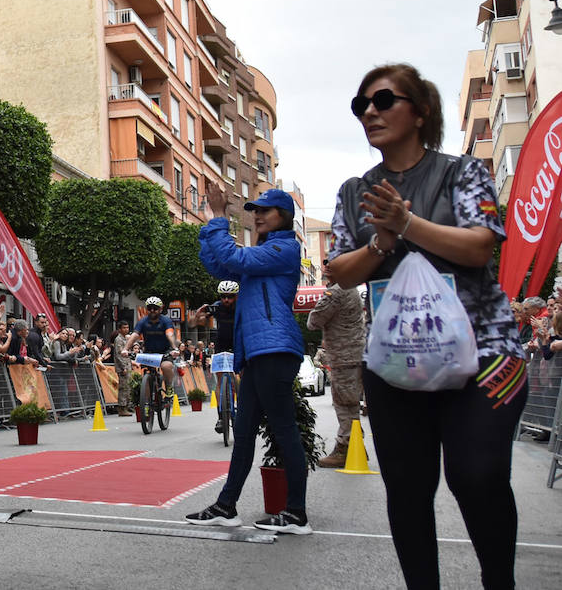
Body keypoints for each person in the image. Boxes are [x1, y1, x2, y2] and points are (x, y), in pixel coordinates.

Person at [324, 64, 526, 588]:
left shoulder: (463, 173)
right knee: (409, 492)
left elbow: (481, 244)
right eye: (361, 105)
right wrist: (383, 242)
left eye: (384, 100)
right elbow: (341, 272)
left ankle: (497, 581)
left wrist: (408, 223)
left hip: (485, 356)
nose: (370, 111)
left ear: (421, 111)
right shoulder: (355, 191)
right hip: (395, 365)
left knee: (476, 477)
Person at [186, 185, 310, 535]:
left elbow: (234, 260)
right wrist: (211, 221)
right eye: (255, 210)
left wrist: (222, 219)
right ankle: (227, 506)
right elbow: (218, 264)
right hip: (257, 352)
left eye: (265, 211)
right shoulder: (262, 255)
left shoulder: (284, 248)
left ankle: (297, 513)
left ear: (283, 217)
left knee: (284, 430)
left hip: (273, 349)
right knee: (242, 433)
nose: (257, 215)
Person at [306, 279, 366, 468]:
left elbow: (313, 321)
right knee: (351, 402)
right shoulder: (350, 287)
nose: (326, 270)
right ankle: (355, 443)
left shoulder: (337, 291)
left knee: (344, 403)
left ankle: (345, 447)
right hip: (354, 353)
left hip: (344, 355)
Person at [126, 298, 178, 395]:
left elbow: (169, 334)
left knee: (166, 366)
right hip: (149, 352)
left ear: (161, 309)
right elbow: (135, 335)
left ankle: (169, 386)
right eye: (150, 308)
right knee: (146, 376)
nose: (152, 311)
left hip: (165, 351)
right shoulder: (143, 321)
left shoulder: (166, 321)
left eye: (155, 308)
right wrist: (125, 349)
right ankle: (146, 403)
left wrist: (174, 348)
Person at [112, 320, 134, 416]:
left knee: (128, 387)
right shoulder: (118, 339)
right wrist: (123, 367)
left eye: (127, 327)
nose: (126, 329)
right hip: (122, 367)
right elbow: (119, 354)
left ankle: (127, 406)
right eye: (124, 328)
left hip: (128, 364)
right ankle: (122, 408)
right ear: (119, 329)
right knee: (123, 387)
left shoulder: (126, 339)